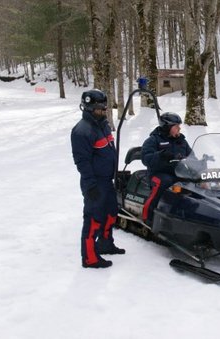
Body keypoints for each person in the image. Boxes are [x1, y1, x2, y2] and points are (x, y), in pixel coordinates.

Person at [71, 89, 125, 269]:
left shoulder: (103, 125)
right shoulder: (82, 130)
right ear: (88, 108)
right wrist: (91, 184)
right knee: (94, 218)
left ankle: (105, 243)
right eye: (99, 109)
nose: (103, 111)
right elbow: (82, 161)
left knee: (111, 212)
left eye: (104, 108)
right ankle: (89, 257)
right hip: (94, 182)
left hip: (107, 180)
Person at [141, 112, 192, 224]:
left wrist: (202, 162)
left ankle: (190, 214)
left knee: (193, 183)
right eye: (176, 126)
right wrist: (160, 155)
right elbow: (145, 158)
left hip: (177, 172)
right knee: (164, 182)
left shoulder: (182, 141)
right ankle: (148, 216)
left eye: (179, 125)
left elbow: (191, 157)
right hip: (157, 173)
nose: (179, 128)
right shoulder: (153, 140)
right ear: (167, 127)